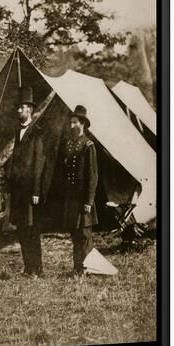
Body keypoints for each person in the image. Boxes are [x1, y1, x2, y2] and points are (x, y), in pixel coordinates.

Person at [6, 87, 46, 279]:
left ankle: (37, 268)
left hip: (31, 191)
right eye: (18, 108)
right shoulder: (17, 131)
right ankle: (27, 267)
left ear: (29, 109)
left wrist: (36, 191)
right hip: (18, 191)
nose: (18, 111)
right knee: (22, 229)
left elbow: (38, 164)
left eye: (21, 108)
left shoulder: (37, 132)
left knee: (32, 230)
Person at [61, 105, 98, 276]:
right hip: (71, 198)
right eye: (71, 122)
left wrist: (89, 201)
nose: (71, 126)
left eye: (75, 122)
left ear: (82, 123)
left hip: (83, 199)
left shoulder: (88, 145)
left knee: (84, 234)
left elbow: (93, 176)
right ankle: (77, 268)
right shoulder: (69, 144)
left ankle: (87, 268)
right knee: (75, 234)